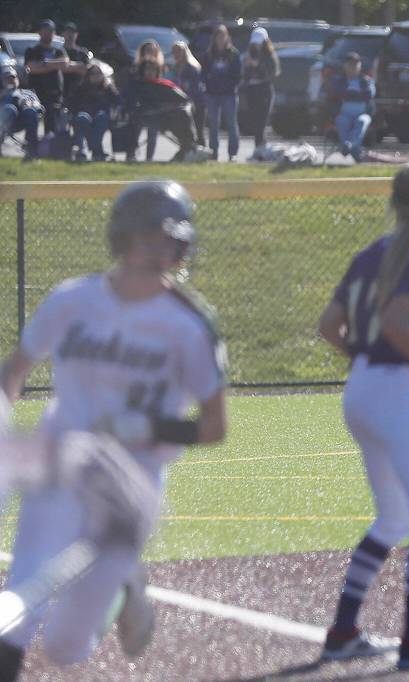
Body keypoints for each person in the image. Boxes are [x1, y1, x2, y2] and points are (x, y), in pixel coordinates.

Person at [0, 180, 228, 679]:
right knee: (18, 607)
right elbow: (15, 370)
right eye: (146, 237)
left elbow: (214, 427)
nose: (156, 251)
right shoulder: (73, 300)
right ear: (121, 238)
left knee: (64, 647)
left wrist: (148, 426)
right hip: (60, 463)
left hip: (132, 485)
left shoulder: (190, 326)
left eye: (168, 240)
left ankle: (126, 585)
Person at [318, 160, 409, 671]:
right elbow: (397, 323)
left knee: (394, 518)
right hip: (389, 389)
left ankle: (342, 632)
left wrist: (375, 360)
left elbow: (329, 327)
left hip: (359, 389)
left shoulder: (368, 255)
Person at [124, 58, 210, 163]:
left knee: (182, 115)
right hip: (146, 117)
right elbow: (133, 104)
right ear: (143, 71)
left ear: (157, 71)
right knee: (133, 122)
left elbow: (184, 100)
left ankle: (187, 150)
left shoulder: (164, 85)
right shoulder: (137, 86)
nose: (150, 72)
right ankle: (191, 149)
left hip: (167, 117)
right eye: (147, 69)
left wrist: (171, 107)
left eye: (153, 70)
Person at [202, 25, 242, 162]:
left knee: (231, 124)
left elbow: (238, 74)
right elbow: (204, 73)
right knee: (213, 125)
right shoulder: (209, 54)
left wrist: (232, 86)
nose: (220, 39)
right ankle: (214, 152)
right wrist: (207, 86)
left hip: (229, 94)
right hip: (212, 94)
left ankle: (233, 153)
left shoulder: (233, 54)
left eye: (223, 36)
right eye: (218, 36)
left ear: (227, 37)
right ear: (214, 38)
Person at [326, 51, 375, 162]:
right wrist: (356, 94)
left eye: (355, 65)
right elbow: (337, 92)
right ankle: (351, 148)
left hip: (362, 114)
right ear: (345, 66)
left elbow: (369, 94)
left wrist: (349, 94)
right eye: (350, 65)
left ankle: (349, 146)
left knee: (361, 122)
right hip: (344, 114)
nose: (353, 68)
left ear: (360, 66)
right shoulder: (339, 80)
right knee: (341, 121)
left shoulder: (366, 81)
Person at [24, 19, 69, 134]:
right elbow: (31, 68)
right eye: (44, 31)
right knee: (33, 119)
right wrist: (54, 65)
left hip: (55, 95)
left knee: (53, 129)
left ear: (54, 33)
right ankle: (32, 147)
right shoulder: (31, 51)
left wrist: (44, 64)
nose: (47, 33)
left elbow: (64, 64)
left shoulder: (59, 51)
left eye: (50, 31)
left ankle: (49, 147)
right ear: (39, 32)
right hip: (36, 94)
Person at [67, 62, 119, 161]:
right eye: (93, 74)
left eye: (98, 73)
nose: (96, 76)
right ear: (88, 76)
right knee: (82, 118)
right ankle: (88, 150)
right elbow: (71, 103)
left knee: (101, 117)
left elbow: (118, 100)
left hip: (101, 115)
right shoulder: (81, 88)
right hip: (84, 114)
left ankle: (95, 149)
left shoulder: (107, 88)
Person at [241, 27, 280, 151]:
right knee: (254, 120)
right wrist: (248, 67)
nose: (257, 46)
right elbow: (245, 75)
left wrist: (257, 65)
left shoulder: (269, 56)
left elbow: (272, 74)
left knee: (262, 121)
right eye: (255, 43)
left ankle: (260, 147)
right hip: (252, 89)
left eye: (259, 43)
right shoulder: (249, 54)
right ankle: (259, 147)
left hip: (264, 90)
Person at [0, 65, 43, 160]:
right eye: (7, 79)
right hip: (3, 120)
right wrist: (4, 94)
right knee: (9, 109)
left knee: (30, 111)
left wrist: (30, 104)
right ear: (2, 81)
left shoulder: (27, 93)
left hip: (21, 121)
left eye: (13, 78)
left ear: (18, 79)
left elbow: (39, 107)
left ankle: (31, 152)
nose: (11, 81)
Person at [133, 40, 165, 162]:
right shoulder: (136, 70)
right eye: (147, 50)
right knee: (134, 133)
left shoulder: (160, 69)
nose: (150, 53)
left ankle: (149, 159)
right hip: (140, 107)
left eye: (152, 51)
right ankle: (132, 154)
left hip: (155, 108)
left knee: (152, 134)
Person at [169, 41, 205, 147]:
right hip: (181, 105)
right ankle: (187, 150)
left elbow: (196, 88)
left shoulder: (192, 69)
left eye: (179, 52)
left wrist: (191, 101)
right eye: (174, 52)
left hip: (196, 104)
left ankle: (203, 153)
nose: (177, 54)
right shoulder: (173, 69)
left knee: (198, 131)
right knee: (183, 131)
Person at [60, 22, 92, 102]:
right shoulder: (58, 51)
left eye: (72, 32)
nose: (70, 35)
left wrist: (67, 66)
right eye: (67, 32)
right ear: (63, 34)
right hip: (61, 89)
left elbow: (86, 70)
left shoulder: (82, 52)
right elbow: (57, 67)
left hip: (78, 91)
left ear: (76, 34)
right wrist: (78, 66)